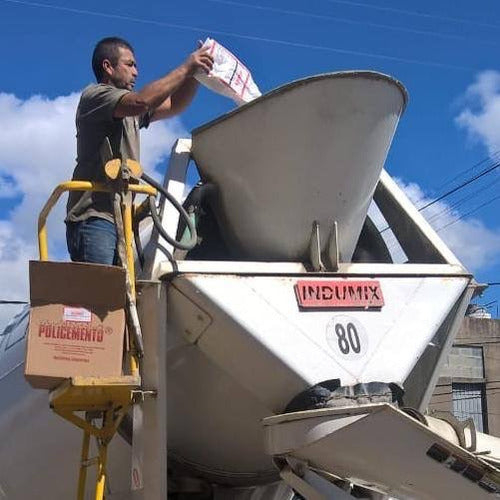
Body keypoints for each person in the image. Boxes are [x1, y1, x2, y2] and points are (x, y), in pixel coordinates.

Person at [65, 36, 213, 265]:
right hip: (94, 217)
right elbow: (142, 102)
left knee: (118, 298)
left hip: (118, 218)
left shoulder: (129, 112)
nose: (136, 72)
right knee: (100, 297)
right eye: (129, 64)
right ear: (108, 67)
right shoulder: (96, 96)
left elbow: (173, 105)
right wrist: (186, 67)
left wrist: (195, 75)